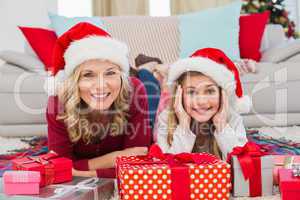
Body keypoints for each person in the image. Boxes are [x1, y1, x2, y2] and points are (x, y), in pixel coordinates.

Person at [46, 22, 151, 178]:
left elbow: (139, 160)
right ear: (73, 82)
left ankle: (151, 67)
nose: (101, 86)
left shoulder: (134, 90)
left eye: (110, 73)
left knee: (149, 79)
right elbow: (59, 166)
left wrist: (82, 170)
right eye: (88, 75)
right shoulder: (57, 102)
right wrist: (116, 158)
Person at [155, 48, 250, 159]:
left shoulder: (232, 119)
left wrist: (221, 126)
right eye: (191, 92)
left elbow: (241, 166)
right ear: (180, 94)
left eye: (210, 91)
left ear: (222, 94)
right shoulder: (166, 119)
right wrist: (184, 126)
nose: (201, 101)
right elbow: (167, 169)